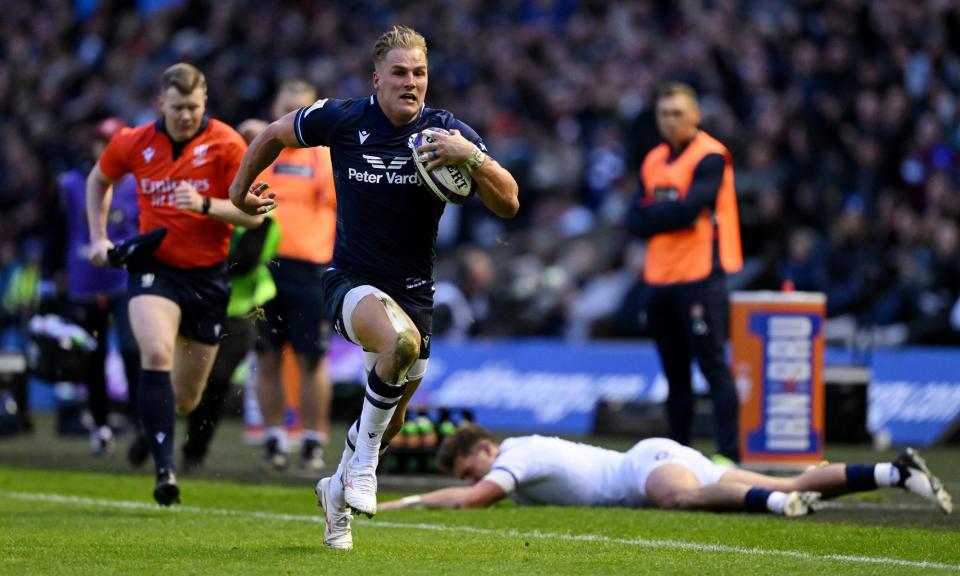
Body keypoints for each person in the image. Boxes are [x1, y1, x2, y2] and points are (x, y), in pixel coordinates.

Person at [229, 25, 519, 549]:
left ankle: (335, 494)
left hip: (415, 294)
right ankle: (360, 469)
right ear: (377, 78)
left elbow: (509, 202)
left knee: (391, 423)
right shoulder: (341, 118)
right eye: (401, 73)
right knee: (397, 345)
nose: (412, 82)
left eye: (420, 73)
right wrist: (238, 191)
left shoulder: (445, 132)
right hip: (350, 282)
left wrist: (471, 158)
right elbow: (272, 133)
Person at [86, 63, 263, 506]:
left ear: (205, 105)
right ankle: (165, 471)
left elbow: (254, 214)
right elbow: (99, 179)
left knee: (185, 399)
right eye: (178, 107)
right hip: (156, 267)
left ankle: (153, 428)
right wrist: (98, 237)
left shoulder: (226, 143)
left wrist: (205, 205)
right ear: (160, 103)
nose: (185, 115)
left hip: (208, 277)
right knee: (156, 352)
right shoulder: (134, 141)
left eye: (193, 107)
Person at [379, 424, 954, 517]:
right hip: (657, 455)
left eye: (465, 468)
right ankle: (892, 472)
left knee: (677, 503)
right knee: (787, 479)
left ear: (482, 448)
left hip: (644, 468)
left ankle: (779, 509)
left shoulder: (513, 456)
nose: (468, 479)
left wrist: (398, 503)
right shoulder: (521, 452)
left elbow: (477, 499)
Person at [625, 82, 743, 463]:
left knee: (713, 368)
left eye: (677, 113)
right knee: (675, 375)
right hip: (659, 279)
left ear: (696, 115)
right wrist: (667, 215)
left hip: (700, 277)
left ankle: (728, 455)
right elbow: (632, 220)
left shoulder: (712, 156)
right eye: (664, 113)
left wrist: (657, 215)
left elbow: (689, 210)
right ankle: (680, 455)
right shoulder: (653, 160)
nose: (670, 120)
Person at [236, 79, 338, 472]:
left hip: (310, 269)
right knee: (266, 355)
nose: (294, 115)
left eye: (302, 109)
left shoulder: (325, 157)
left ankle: (313, 440)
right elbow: (244, 131)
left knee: (313, 359)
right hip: (264, 268)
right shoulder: (265, 148)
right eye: (287, 108)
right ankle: (274, 437)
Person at [44, 117, 141, 455]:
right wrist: (51, 272)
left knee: (133, 351)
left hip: (124, 279)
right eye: (105, 142)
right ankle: (100, 425)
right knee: (91, 356)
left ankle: (139, 420)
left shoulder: (138, 184)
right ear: (96, 145)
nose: (109, 148)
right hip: (84, 280)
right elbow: (56, 230)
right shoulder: (71, 183)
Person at [180, 217, 280, 473]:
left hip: (237, 314)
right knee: (176, 379)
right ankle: (151, 436)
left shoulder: (263, 220)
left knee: (217, 382)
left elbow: (243, 262)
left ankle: (195, 452)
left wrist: (198, 256)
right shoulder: (203, 207)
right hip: (194, 307)